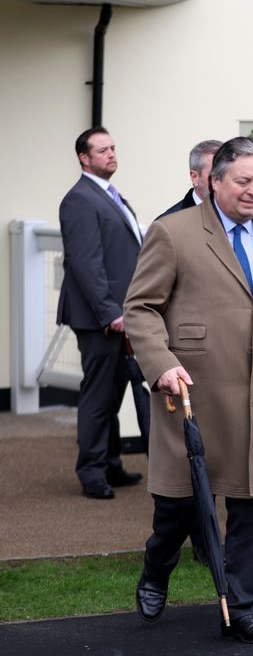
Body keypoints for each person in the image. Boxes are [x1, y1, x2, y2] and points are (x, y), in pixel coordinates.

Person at [124, 137, 253, 645]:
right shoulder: (173, 232)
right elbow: (140, 308)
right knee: (180, 508)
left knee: (251, 507)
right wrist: (160, 366)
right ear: (214, 181)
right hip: (191, 394)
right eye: (243, 181)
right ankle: (158, 566)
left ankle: (240, 609)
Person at [57, 127, 143, 500]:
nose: (111, 154)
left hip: (121, 315)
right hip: (100, 319)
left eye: (112, 147)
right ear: (84, 158)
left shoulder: (110, 195)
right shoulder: (79, 200)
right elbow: (86, 264)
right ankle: (91, 472)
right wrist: (111, 313)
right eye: (102, 150)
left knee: (114, 391)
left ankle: (110, 464)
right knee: (97, 396)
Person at [159, 140, 222, 218]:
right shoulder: (169, 225)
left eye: (227, 174)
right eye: (215, 176)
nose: (224, 182)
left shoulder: (239, 214)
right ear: (194, 177)